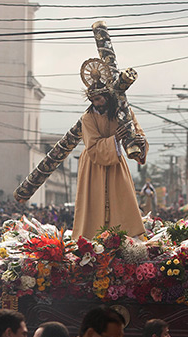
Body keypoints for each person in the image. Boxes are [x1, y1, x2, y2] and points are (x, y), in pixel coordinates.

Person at [72, 78, 147, 240]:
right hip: (93, 165)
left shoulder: (123, 112)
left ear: (107, 96)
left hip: (116, 163)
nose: (95, 103)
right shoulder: (88, 118)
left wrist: (139, 141)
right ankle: (90, 241)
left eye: (98, 99)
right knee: (92, 203)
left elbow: (137, 132)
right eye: (92, 100)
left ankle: (127, 238)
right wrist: (114, 139)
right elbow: (92, 145)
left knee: (123, 198)